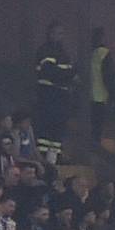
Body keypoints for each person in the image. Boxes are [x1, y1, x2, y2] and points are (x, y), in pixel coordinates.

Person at [33, 25, 75, 162]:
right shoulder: (46, 51)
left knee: (58, 129)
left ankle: (54, 157)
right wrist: (71, 73)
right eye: (57, 33)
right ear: (50, 33)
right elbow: (50, 73)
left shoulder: (62, 52)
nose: (60, 36)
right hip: (48, 95)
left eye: (62, 33)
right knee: (46, 127)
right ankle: (43, 157)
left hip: (61, 97)